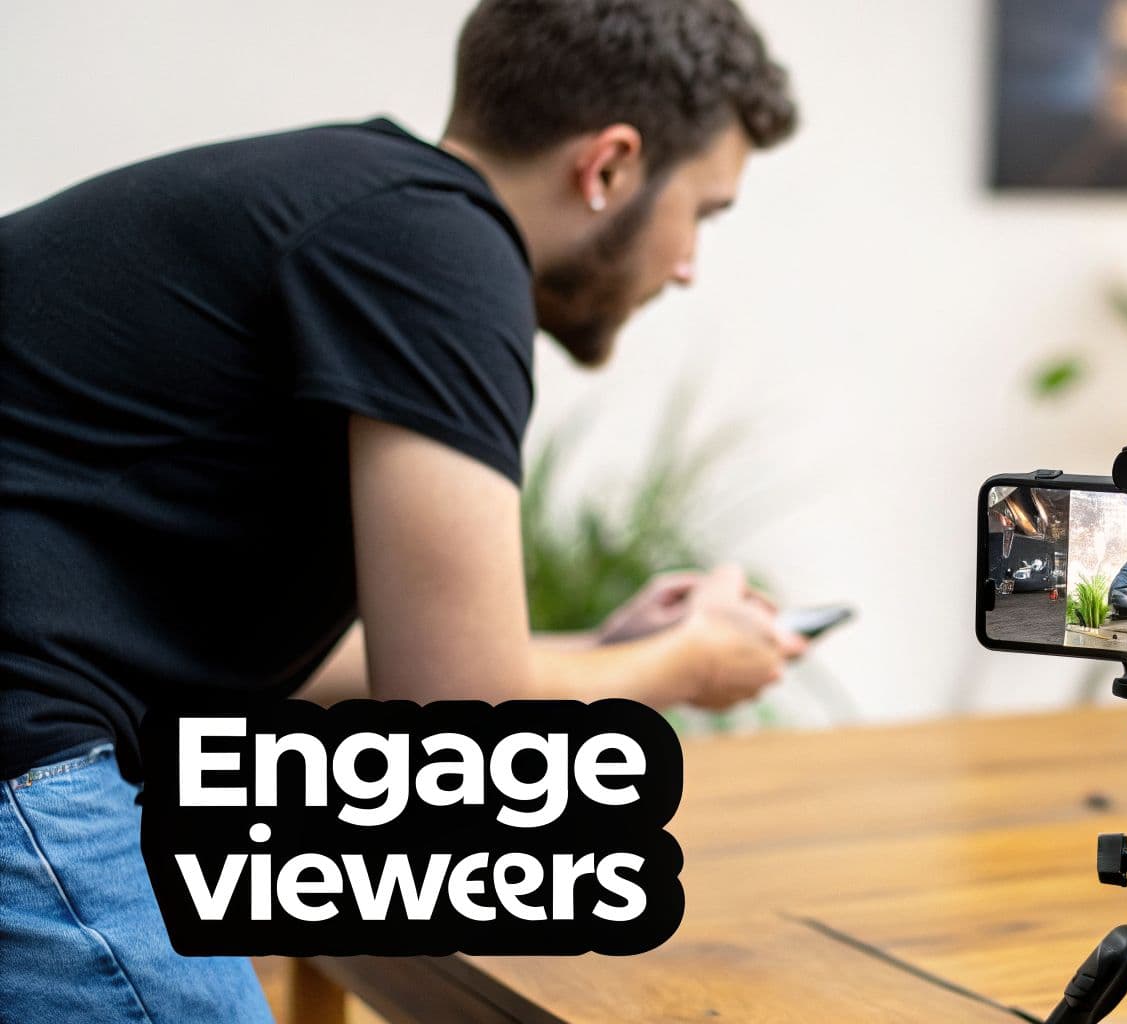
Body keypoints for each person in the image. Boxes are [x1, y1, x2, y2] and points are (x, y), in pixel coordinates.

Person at [0, 1, 799, 1019]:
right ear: (609, 166)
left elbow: (288, 659)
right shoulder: (439, 244)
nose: (687, 265)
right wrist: (682, 666)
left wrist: (594, 647)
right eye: (705, 212)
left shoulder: (349, 203)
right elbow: (456, 716)